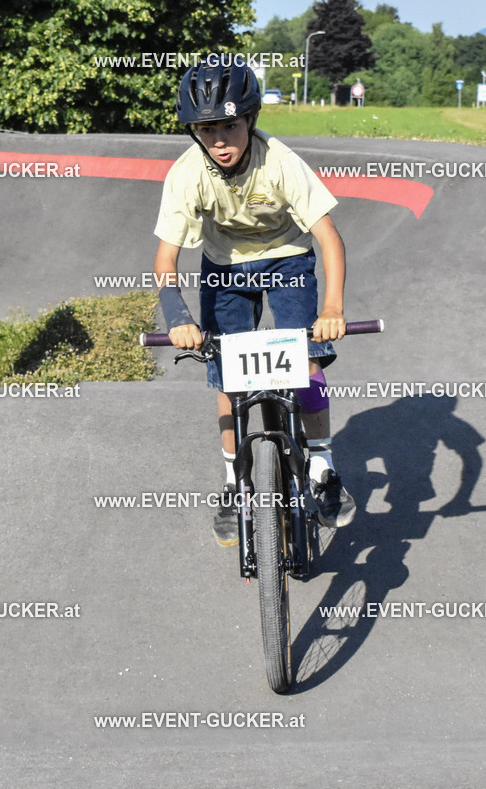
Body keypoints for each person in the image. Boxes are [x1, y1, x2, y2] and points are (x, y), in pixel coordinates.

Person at [152, 56, 355, 546]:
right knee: (225, 367)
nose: (220, 140)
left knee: (304, 358)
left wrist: (332, 309)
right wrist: (178, 317)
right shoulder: (186, 174)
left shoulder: (280, 161)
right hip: (223, 266)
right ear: (193, 132)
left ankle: (324, 466)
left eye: (230, 125)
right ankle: (233, 482)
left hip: (287, 259)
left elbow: (328, 238)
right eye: (206, 130)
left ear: (251, 120)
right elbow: (165, 262)